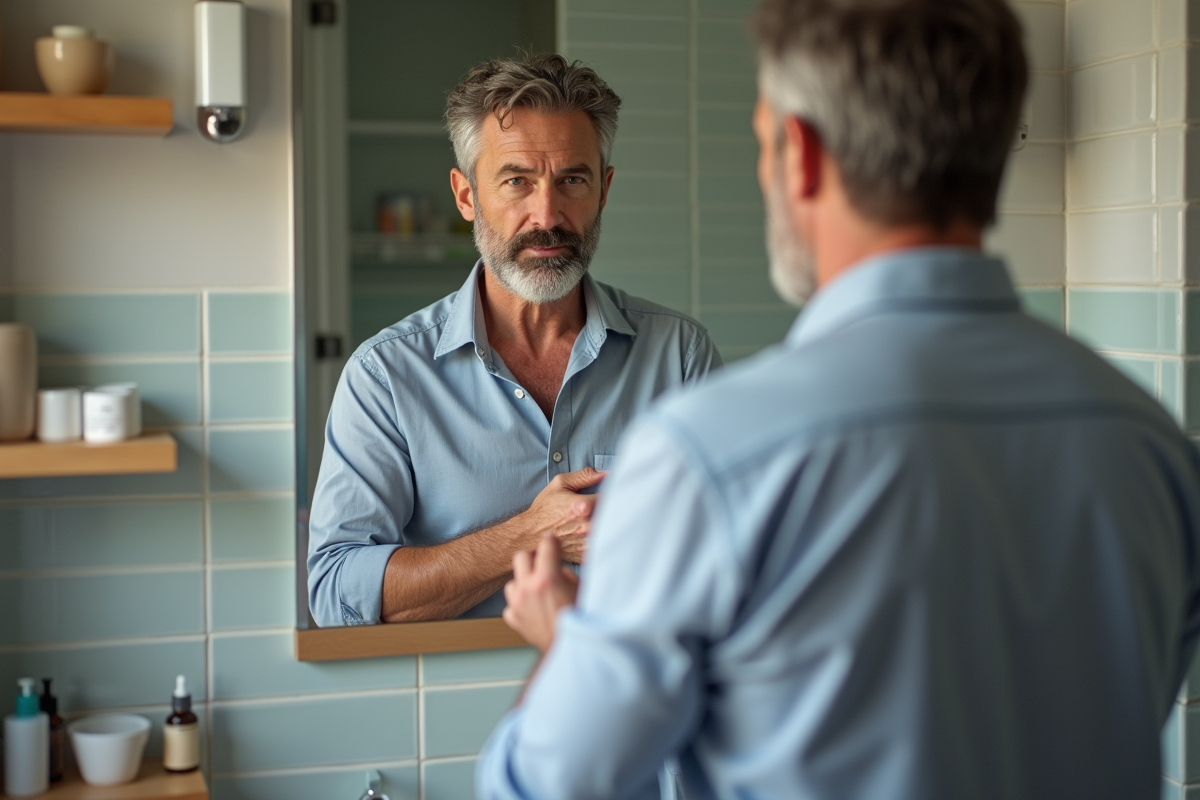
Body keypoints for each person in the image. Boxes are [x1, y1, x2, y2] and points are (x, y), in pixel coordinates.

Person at [478, 0, 1200, 798]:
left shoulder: (710, 457)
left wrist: (572, 647)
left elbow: (548, 787)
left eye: (762, 145)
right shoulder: (1153, 445)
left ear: (802, 155)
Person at [307, 54, 720, 627]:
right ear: (466, 195)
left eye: (572, 179)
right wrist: (528, 536)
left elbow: (731, 556)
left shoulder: (681, 358)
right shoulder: (385, 377)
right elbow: (336, 595)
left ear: (603, 190)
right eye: (516, 181)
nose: (546, 214)